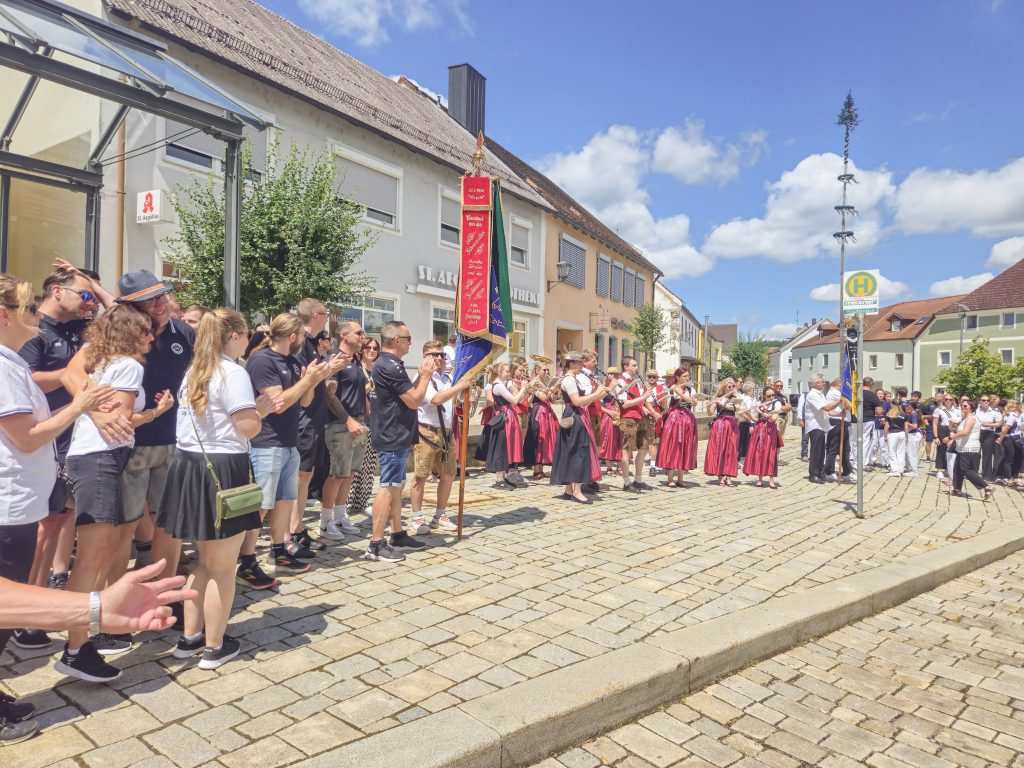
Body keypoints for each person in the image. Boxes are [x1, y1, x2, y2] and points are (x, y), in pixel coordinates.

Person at [0, 273, 116, 740]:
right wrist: (80, 405)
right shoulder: (4, 367)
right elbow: (25, 437)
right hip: (10, 507)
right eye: (31, 309)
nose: (39, 317)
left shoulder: (12, 363)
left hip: (18, 503)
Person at [157, 310, 282, 670]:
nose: (249, 342)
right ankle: (214, 646)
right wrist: (260, 410)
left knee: (202, 561)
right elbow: (246, 427)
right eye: (247, 336)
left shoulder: (195, 370)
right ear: (234, 336)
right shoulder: (233, 372)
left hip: (189, 464)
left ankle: (190, 637)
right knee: (223, 566)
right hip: (223, 468)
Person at [58, 304, 174, 682]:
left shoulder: (106, 364)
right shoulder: (129, 366)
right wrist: (153, 415)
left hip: (93, 457)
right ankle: (76, 647)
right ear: (127, 334)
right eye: (143, 330)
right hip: (101, 459)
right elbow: (122, 417)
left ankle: (80, 640)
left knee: (97, 553)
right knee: (92, 557)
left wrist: (151, 415)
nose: (151, 337)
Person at [14, 267, 106, 651]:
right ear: (57, 291)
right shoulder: (34, 329)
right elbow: (26, 377)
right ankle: (25, 613)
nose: (90, 304)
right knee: (44, 525)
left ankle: (49, 587)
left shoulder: (79, 329)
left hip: (73, 438)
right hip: (42, 438)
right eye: (84, 296)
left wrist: (94, 289)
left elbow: (115, 313)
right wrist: (69, 375)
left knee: (60, 520)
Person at [241, 313, 332, 583]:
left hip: (289, 441)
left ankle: (278, 550)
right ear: (292, 337)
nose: (303, 341)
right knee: (262, 504)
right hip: (266, 442)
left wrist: (312, 381)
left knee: (284, 501)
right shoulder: (262, 361)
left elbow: (304, 402)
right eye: (302, 336)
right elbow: (277, 402)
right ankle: (246, 561)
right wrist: (307, 381)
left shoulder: (293, 361)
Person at [364, 321, 433, 563]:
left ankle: (397, 533)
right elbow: (414, 401)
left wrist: (421, 379)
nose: (410, 342)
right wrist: (424, 377)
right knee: (389, 487)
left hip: (398, 433)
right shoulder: (389, 365)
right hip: (392, 435)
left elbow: (404, 394)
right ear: (395, 340)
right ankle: (375, 544)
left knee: (397, 486)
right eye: (407, 337)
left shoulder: (390, 364)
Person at [409, 340, 470, 535]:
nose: (438, 358)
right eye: (433, 354)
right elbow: (435, 399)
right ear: (425, 357)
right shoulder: (421, 377)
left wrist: (464, 389)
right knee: (421, 475)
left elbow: (453, 400)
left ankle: (440, 515)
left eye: (441, 354)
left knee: (449, 474)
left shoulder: (447, 378)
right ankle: (417, 517)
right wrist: (459, 386)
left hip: (446, 432)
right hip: (426, 431)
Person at [319, 320, 366, 542]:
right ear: (345, 335)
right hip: (340, 424)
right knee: (337, 474)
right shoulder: (336, 360)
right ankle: (326, 522)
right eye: (358, 332)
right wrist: (347, 419)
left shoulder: (355, 360)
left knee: (350, 473)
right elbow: (330, 395)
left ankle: (340, 516)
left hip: (357, 423)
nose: (362, 335)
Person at [550, 351, 607, 502]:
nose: (582, 365)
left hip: (579, 416)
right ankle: (577, 491)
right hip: (575, 418)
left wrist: (600, 394)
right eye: (580, 363)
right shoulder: (569, 379)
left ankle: (569, 489)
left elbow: (585, 402)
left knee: (574, 452)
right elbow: (576, 401)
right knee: (579, 452)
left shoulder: (573, 378)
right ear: (572, 364)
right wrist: (597, 394)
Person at [346, 337, 381, 516]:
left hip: (374, 420)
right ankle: (346, 502)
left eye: (375, 348)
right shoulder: (356, 368)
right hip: (358, 419)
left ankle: (362, 500)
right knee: (353, 465)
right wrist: (371, 386)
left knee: (368, 464)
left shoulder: (377, 369)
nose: (371, 350)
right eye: (368, 347)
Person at [484, 362, 530, 490]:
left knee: (507, 447)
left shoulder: (503, 384)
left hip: (509, 415)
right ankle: (499, 479)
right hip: (504, 418)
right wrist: (523, 388)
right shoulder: (498, 386)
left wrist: (525, 389)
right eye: (506, 371)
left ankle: (504, 477)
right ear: (499, 373)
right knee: (501, 447)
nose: (509, 373)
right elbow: (515, 400)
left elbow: (518, 400)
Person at [943, 399, 995, 501]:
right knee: (957, 469)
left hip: (969, 448)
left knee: (966, 470)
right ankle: (957, 490)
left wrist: (950, 438)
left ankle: (987, 487)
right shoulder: (964, 418)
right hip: (962, 448)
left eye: (965, 406)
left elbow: (965, 432)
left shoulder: (971, 418)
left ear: (971, 408)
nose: (962, 407)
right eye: (962, 406)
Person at [616, 356, 654, 493]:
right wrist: (643, 397)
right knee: (626, 450)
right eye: (634, 365)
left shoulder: (635, 382)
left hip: (640, 418)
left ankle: (638, 480)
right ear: (626, 366)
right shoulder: (620, 381)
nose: (636, 368)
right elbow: (624, 404)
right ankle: (627, 483)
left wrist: (646, 399)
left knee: (644, 448)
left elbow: (639, 401)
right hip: (628, 419)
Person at [655, 367, 698, 488]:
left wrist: (679, 392)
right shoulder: (669, 389)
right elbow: (666, 408)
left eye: (688, 376)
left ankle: (680, 477)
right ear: (677, 377)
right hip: (673, 420)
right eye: (684, 376)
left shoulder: (690, 389)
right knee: (672, 447)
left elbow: (693, 403)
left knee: (684, 447)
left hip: (687, 421)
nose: (687, 378)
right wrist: (663, 399)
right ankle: (670, 477)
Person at [522, 362, 559, 479]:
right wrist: (552, 389)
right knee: (538, 439)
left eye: (548, 370)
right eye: (544, 370)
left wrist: (555, 391)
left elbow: (552, 400)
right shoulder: (534, 383)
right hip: (539, 412)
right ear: (537, 371)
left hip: (547, 411)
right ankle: (536, 469)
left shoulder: (545, 383)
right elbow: (543, 398)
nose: (547, 372)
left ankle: (541, 469)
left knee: (545, 440)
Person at [744, 386, 784, 488]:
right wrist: (748, 414)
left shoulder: (777, 404)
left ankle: (771, 480)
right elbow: (756, 419)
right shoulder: (760, 403)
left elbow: (773, 419)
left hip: (770, 430)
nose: (771, 397)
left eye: (772, 395)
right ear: (764, 396)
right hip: (760, 430)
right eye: (768, 396)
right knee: (759, 453)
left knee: (771, 453)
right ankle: (760, 479)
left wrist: (762, 411)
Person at [704, 378, 741, 486]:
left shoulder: (735, 398)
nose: (731, 388)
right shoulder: (718, 398)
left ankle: (728, 475)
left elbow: (737, 409)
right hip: (720, 425)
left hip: (731, 425)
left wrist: (724, 404)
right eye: (729, 386)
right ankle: (720, 475)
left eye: (733, 386)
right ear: (724, 387)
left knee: (731, 450)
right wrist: (710, 404)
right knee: (719, 449)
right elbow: (710, 413)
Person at [824, 377, 854, 482]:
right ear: (839, 385)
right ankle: (829, 471)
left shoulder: (835, 393)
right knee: (834, 448)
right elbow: (849, 404)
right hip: (837, 421)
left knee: (845, 449)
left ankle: (847, 471)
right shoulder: (834, 393)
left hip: (843, 422)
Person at [804, 375, 832, 483]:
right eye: (822, 382)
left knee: (821, 451)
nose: (824, 383)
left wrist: (839, 413)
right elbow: (827, 407)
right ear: (816, 383)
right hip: (815, 425)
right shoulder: (812, 395)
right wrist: (839, 400)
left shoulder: (821, 394)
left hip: (822, 425)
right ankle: (814, 474)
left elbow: (828, 410)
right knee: (816, 451)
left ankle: (821, 472)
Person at [598, 367, 622, 471]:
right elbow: (597, 405)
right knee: (607, 440)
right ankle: (609, 467)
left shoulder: (618, 388)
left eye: (616, 375)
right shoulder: (603, 388)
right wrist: (608, 411)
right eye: (611, 375)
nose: (614, 377)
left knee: (619, 440)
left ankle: (619, 467)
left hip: (618, 414)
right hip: (608, 416)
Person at [931, 394, 957, 481]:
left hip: (953, 430)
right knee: (941, 450)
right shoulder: (938, 410)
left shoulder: (957, 411)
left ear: (953, 400)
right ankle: (939, 470)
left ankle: (949, 468)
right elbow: (934, 424)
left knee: (952, 450)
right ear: (943, 400)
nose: (948, 401)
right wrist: (936, 436)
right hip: (942, 429)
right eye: (946, 399)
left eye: (950, 399)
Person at [858, 378, 881, 471]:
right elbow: (878, 411)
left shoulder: (856, 393)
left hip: (855, 420)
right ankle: (863, 463)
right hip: (868, 420)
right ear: (871, 384)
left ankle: (855, 462)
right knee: (866, 442)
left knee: (855, 442)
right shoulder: (872, 395)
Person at [902, 401, 923, 477]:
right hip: (913, 434)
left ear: (911, 406)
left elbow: (915, 426)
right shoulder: (913, 414)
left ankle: (913, 471)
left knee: (912, 453)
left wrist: (906, 423)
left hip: (914, 434)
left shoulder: (913, 414)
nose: (906, 407)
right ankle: (910, 468)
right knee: (909, 452)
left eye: (908, 405)